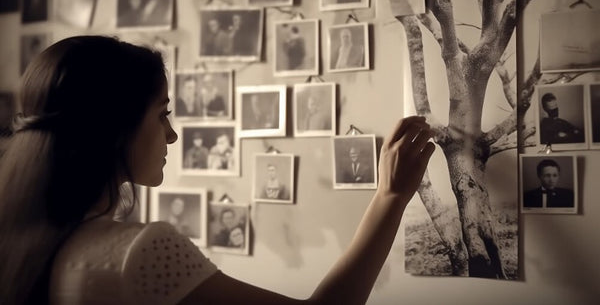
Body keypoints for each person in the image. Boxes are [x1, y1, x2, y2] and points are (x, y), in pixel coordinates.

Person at [0, 34, 435, 304]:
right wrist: (390, 198)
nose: (171, 136)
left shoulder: (28, 246)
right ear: (115, 127)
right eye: (161, 115)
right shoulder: (140, 251)